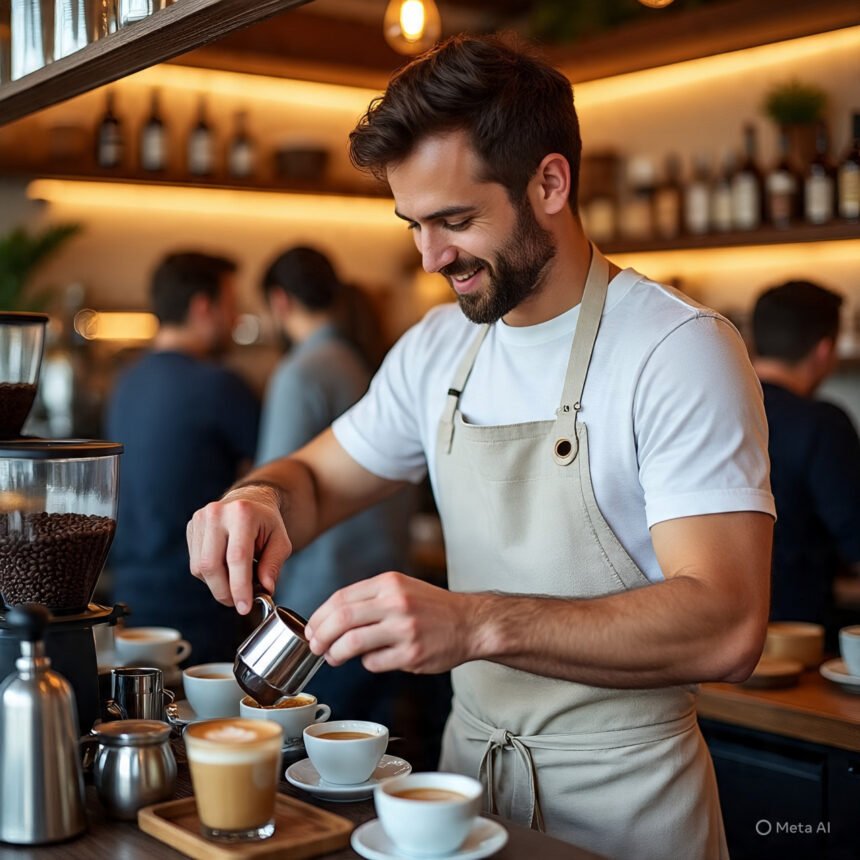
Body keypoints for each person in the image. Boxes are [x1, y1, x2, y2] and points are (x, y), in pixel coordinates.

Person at [186, 36, 774, 859]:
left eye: (456, 221)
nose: (430, 257)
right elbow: (315, 479)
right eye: (415, 225)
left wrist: (474, 624)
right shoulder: (437, 350)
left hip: (631, 809)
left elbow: (729, 625)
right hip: (461, 799)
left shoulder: (677, 349)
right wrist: (258, 500)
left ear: (550, 182)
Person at [257, 247, 445, 745]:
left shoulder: (302, 372)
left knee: (313, 765)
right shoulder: (358, 359)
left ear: (279, 302)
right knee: (369, 758)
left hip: (319, 614)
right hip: (383, 596)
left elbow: (276, 501)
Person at [106, 251, 259, 665]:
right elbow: (272, 474)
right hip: (202, 601)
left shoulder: (125, 382)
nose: (235, 318)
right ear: (202, 307)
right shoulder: (220, 386)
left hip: (131, 598)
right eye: (231, 306)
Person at [752, 280, 860, 644]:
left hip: (716, 638)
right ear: (824, 350)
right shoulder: (820, 423)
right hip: (801, 639)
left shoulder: (713, 409)